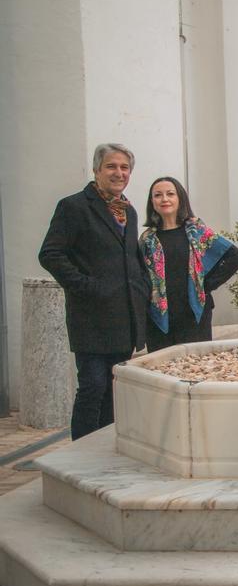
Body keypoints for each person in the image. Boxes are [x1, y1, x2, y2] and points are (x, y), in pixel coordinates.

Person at [39, 143, 150, 440]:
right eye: (112, 167)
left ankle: (104, 447)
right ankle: (82, 454)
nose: (119, 173)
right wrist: (86, 286)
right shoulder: (74, 206)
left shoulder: (129, 211)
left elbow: (131, 260)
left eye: (124, 168)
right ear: (97, 170)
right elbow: (50, 255)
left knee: (113, 390)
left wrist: (143, 288)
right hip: (91, 317)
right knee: (92, 387)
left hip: (123, 319)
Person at [139, 177, 238, 351]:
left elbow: (235, 257)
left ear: (180, 198)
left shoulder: (196, 231)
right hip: (158, 319)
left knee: (194, 367)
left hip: (194, 316)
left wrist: (206, 284)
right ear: (152, 202)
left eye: (170, 194)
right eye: (158, 195)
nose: (164, 199)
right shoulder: (146, 240)